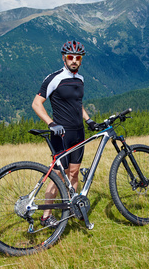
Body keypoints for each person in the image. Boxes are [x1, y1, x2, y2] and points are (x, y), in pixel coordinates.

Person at [32, 40, 97, 227]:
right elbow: (36, 103)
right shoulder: (54, 78)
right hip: (61, 134)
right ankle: (45, 216)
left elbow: (78, 103)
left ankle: (71, 210)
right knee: (59, 175)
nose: (74, 60)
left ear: (81, 60)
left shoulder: (80, 79)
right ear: (64, 58)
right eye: (71, 57)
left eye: (78, 57)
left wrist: (88, 119)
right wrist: (51, 123)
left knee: (74, 173)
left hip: (78, 133)